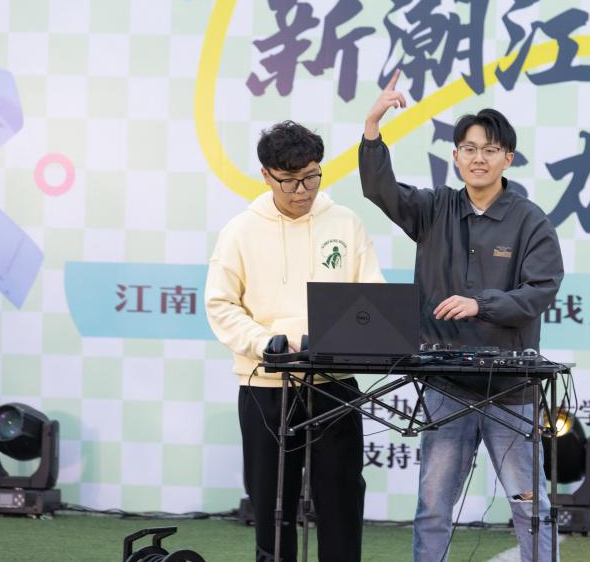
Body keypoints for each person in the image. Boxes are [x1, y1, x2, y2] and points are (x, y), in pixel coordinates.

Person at [359, 72, 564, 561]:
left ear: (508, 158)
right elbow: (380, 190)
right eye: (469, 149)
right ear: (455, 157)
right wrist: (372, 127)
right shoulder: (434, 209)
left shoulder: (530, 220)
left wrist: (482, 303)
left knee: (530, 505)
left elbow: (541, 290)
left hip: (511, 388)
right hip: (446, 384)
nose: (478, 158)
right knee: (433, 507)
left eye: (490, 150)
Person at [205, 120, 383, 562]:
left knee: (341, 502)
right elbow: (221, 305)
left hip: (333, 385)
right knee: (272, 505)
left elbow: (373, 299)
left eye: (311, 177)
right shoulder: (240, 231)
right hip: (266, 386)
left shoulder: (346, 223)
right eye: (290, 181)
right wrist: (266, 342)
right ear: (266, 176)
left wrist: (344, 337)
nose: (303, 191)